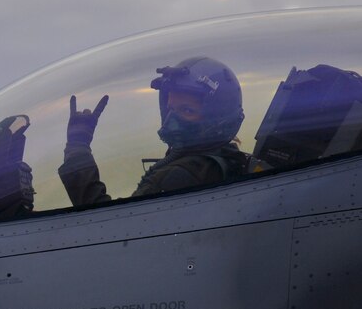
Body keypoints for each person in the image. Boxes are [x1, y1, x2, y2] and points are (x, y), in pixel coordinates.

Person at [59, 56, 248, 206]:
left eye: (187, 110)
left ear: (217, 119)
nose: (172, 120)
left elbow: (109, 224)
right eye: (170, 108)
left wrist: (77, 146)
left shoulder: (181, 177)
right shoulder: (228, 159)